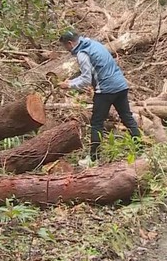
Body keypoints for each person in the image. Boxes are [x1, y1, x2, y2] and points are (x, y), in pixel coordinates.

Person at [58, 30, 141, 165]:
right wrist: (72, 81)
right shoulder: (93, 44)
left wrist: (69, 85)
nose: (66, 50)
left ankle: (93, 158)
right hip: (121, 85)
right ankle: (140, 149)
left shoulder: (82, 53)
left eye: (65, 47)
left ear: (70, 43)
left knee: (96, 123)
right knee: (127, 117)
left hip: (106, 90)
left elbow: (86, 79)